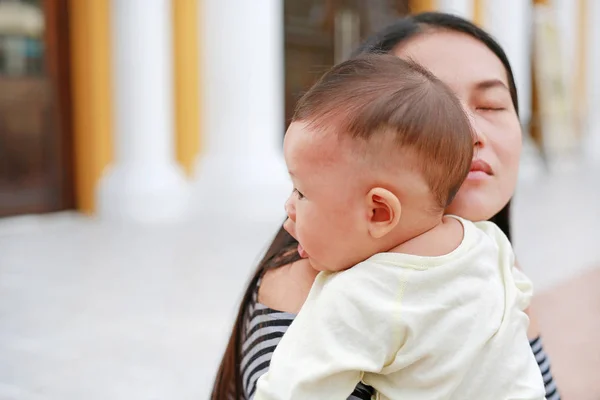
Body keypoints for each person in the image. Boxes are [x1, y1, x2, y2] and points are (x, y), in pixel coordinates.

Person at [211, 12, 560, 400]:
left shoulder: (500, 268)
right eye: (429, 113)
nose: (468, 134)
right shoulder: (316, 292)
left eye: (491, 105)